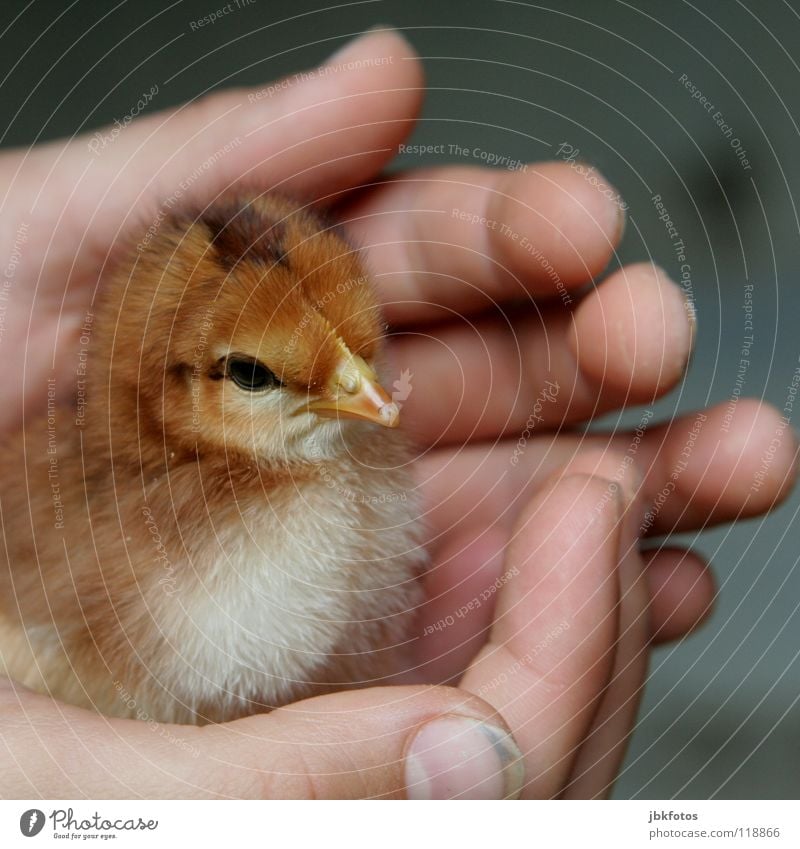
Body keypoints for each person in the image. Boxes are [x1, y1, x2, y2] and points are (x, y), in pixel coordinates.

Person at [0, 26, 794, 799]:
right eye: (255, 374)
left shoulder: (353, 455)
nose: (369, 395)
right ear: (162, 394)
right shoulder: (107, 546)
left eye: (359, 350)